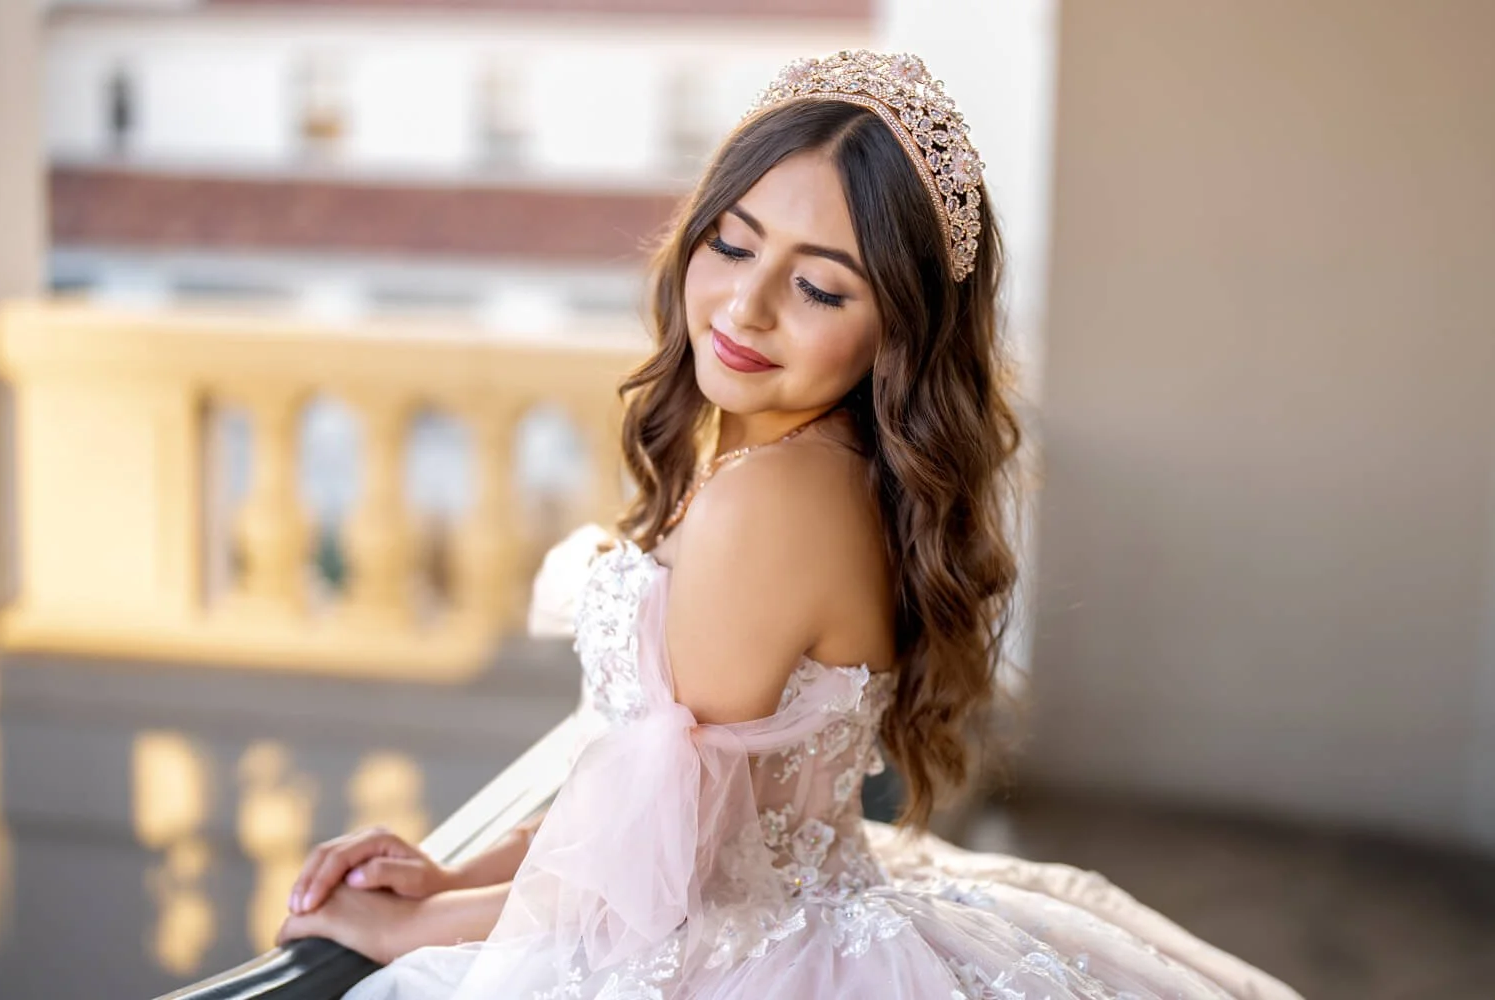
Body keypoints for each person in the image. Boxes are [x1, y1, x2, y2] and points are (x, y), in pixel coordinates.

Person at [276, 50, 1303, 999]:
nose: (746, 305)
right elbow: (641, 801)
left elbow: (657, 881)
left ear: (896, 330)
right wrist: (450, 876)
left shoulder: (768, 500)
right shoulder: (817, 465)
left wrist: (405, 929)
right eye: (732, 242)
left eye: (817, 286)